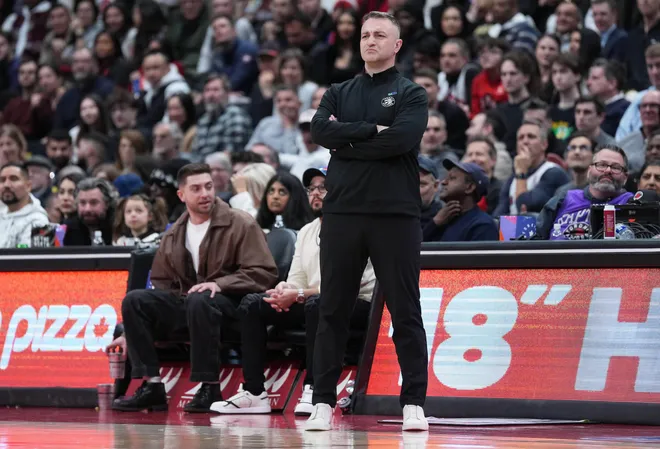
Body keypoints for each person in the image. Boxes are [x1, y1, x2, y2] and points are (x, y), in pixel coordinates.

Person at [309, 11, 429, 432]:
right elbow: (320, 130)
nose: (370, 41)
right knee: (332, 309)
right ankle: (322, 402)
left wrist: (349, 140)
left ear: (396, 45)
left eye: (380, 35)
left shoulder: (412, 93)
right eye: (365, 35)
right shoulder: (339, 90)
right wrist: (370, 131)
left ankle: (414, 401)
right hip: (342, 212)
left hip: (395, 214)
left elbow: (401, 139)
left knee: (405, 309)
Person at [110, 163, 278, 413]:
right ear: (182, 195)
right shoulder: (174, 233)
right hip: (191, 305)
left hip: (233, 306)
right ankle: (152, 385)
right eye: (196, 189)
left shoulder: (240, 223)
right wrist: (135, 328)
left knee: (200, 299)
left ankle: (210, 386)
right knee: (135, 301)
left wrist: (220, 284)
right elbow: (163, 282)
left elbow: (265, 273)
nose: (205, 194)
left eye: (209, 187)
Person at [210, 166, 375, 415]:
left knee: (317, 305)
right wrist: (284, 289)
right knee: (253, 304)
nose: (316, 193)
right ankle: (254, 392)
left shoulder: (361, 226)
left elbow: (348, 285)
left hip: (358, 305)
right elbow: (296, 277)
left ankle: (314, 388)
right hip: (314, 299)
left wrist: (298, 295)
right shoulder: (308, 230)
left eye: (323, 187)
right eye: (311, 188)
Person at [423, 160, 499, 242]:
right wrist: (434, 223)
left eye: (452, 178)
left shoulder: (482, 225)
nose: (444, 182)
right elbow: (414, 250)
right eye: (446, 178)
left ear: (469, 187)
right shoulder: (442, 219)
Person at [0, 162, 49, 248]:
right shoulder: (1, 214)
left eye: (14, 179)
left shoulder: (38, 222)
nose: (6, 185)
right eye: (2, 180)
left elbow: (29, 259)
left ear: (28, 186)